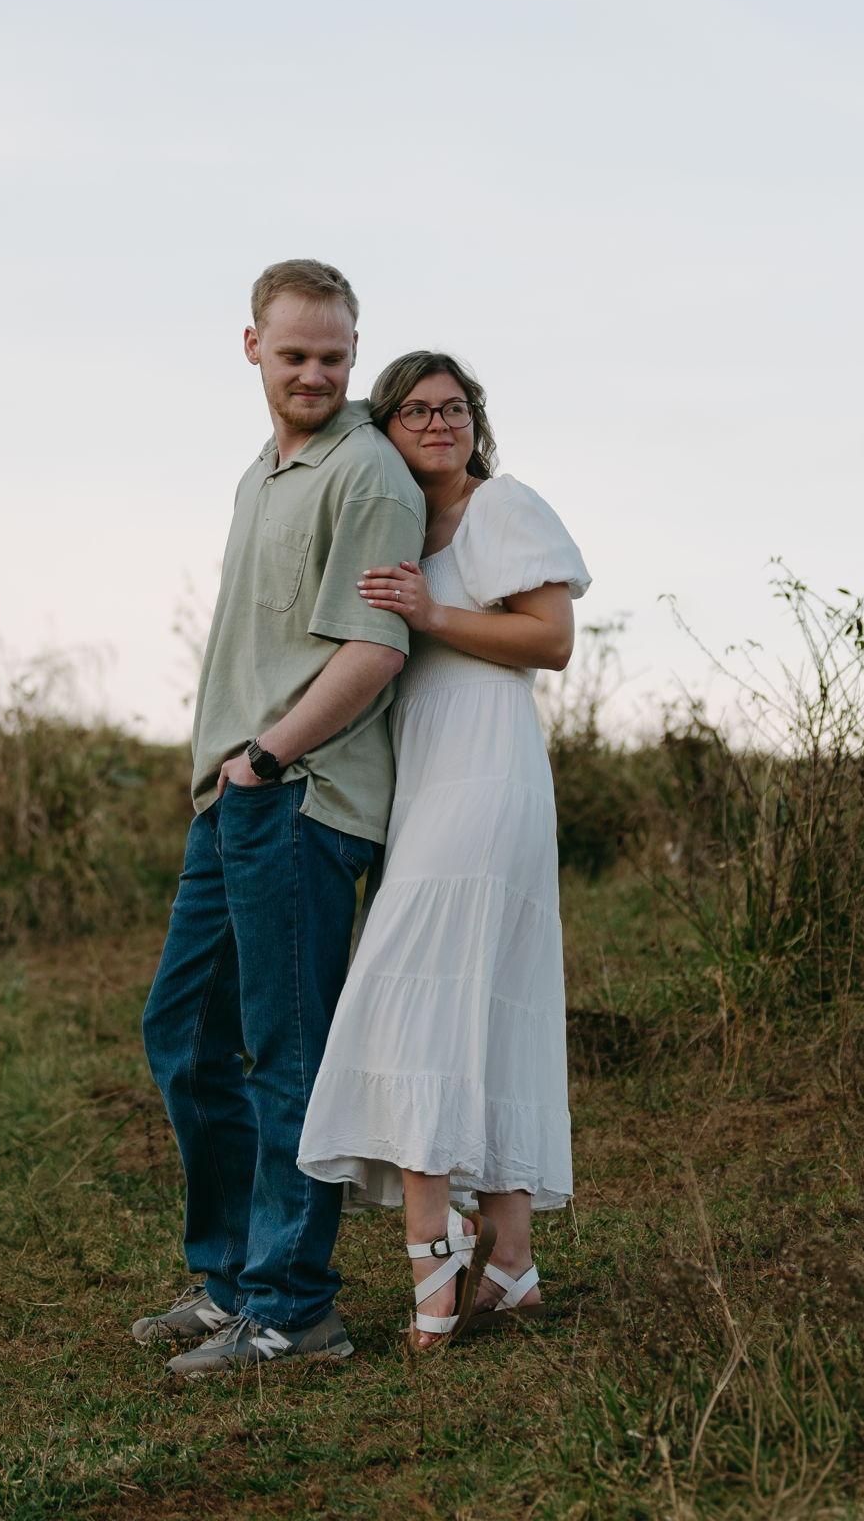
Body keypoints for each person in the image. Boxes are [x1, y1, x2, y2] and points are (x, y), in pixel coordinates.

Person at [135, 260, 424, 1377]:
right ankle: (228, 1281)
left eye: (334, 356)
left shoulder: (368, 473)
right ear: (251, 345)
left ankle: (295, 1309)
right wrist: (230, 773)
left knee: (285, 1054)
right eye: (295, 353)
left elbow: (374, 647)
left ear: (354, 352)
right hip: (233, 799)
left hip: (300, 795)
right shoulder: (261, 474)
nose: (315, 373)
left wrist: (266, 758)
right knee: (184, 1035)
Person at [297, 351, 590, 1348]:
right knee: (483, 999)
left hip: (487, 769)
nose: (438, 423)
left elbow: (550, 640)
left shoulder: (498, 505)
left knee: (403, 990)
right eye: (416, 410)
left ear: (476, 421)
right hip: (427, 777)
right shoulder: (396, 528)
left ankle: (436, 1248)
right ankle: (511, 1262)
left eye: (454, 407)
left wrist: (430, 612)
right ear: (384, 426)